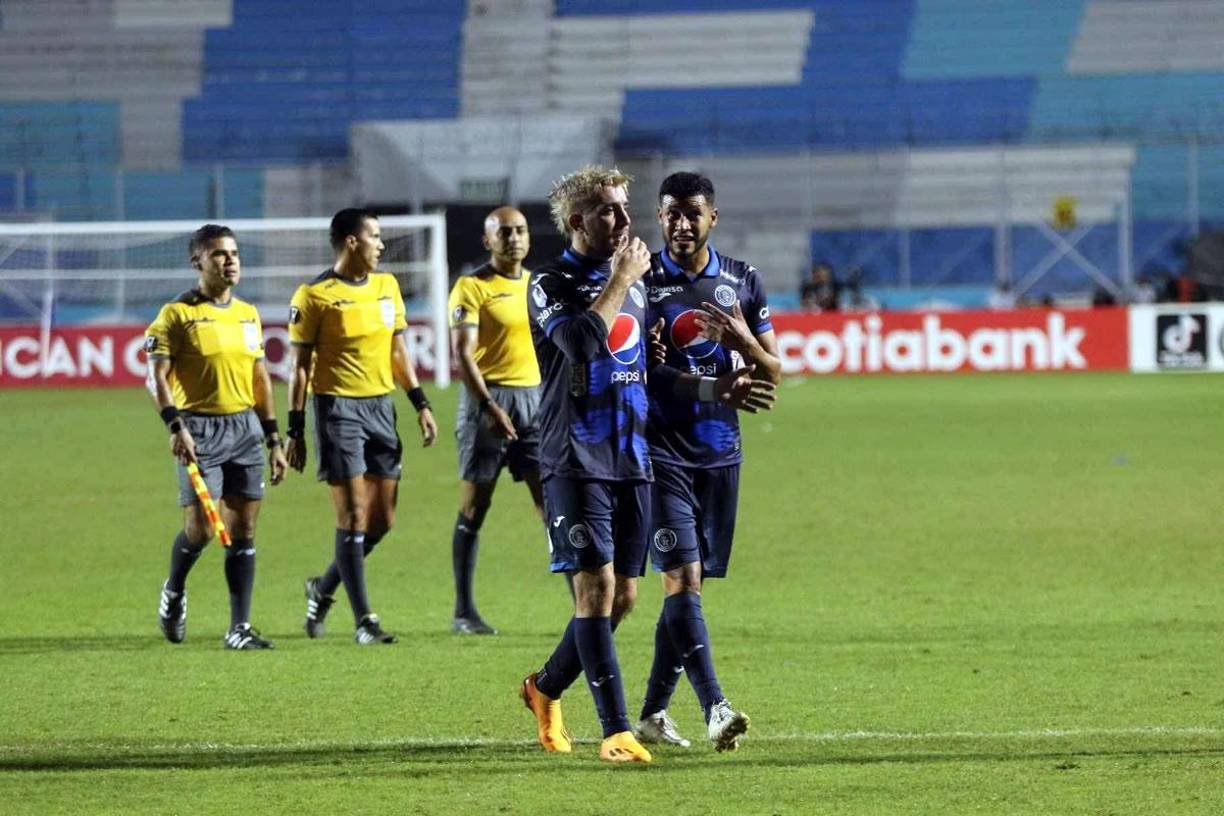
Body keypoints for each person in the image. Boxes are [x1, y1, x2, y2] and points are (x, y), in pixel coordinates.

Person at [516, 166, 773, 764]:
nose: (624, 221)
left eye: (624, 208)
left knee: (625, 597)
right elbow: (580, 341)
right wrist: (622, 279)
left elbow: (643, 364)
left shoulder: (633, 281)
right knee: (597, 589)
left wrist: (697, 380)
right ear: (579, 221)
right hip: (573, 454)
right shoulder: (550, 283)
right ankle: (616, 731)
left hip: (634, 458)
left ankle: (544, 688)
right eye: (609, 210)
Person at [636, 172, 781, 752]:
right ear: (660, 216)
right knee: (683, 580)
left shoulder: (743, 281)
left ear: (712, 218)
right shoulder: (641, 281)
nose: (681, 223)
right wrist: (711, 387)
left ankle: (650, 713)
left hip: (721, 454)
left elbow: (774, 370)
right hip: (660, 453)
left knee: (688, 592)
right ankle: (715, 707)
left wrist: (745, 339)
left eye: (693, 213)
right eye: (671, 213)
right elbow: (640, 372)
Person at [286, 208, 438, 645]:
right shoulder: (314, 296)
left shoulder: (387, 287)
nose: (382, 244)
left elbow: (397, 352)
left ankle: (324, 586)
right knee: (352, 515)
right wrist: (295, 430)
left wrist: (420, 403)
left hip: (381, 408)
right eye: (375, 236)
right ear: (352, 241)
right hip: (337, 411)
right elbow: (299, 369)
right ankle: (364, 621)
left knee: (381, 520)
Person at [147, 223, 287, 650]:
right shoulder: (177, 315)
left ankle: (238, 628)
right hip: (198, 429)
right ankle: (174, 591)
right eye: (220, 255)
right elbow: (156, 377)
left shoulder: (247, 314)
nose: (231, 261)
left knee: (243, 528)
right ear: (197, 262)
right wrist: (176, 426)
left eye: (235, 254)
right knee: (203, 530)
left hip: (244, 427)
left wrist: (274, 438)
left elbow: (259, 377)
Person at [446, 206, 544, 635]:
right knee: (474, 506)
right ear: (488, 241)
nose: (514, 238)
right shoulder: (472, 287)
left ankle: (584, 603)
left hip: (535, 402)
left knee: (553, 503)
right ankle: (464, 611)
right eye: (504, 232)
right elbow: (462, 354)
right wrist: (488, 406)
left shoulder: (538, 286)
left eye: (520, 230)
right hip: (488, 402)